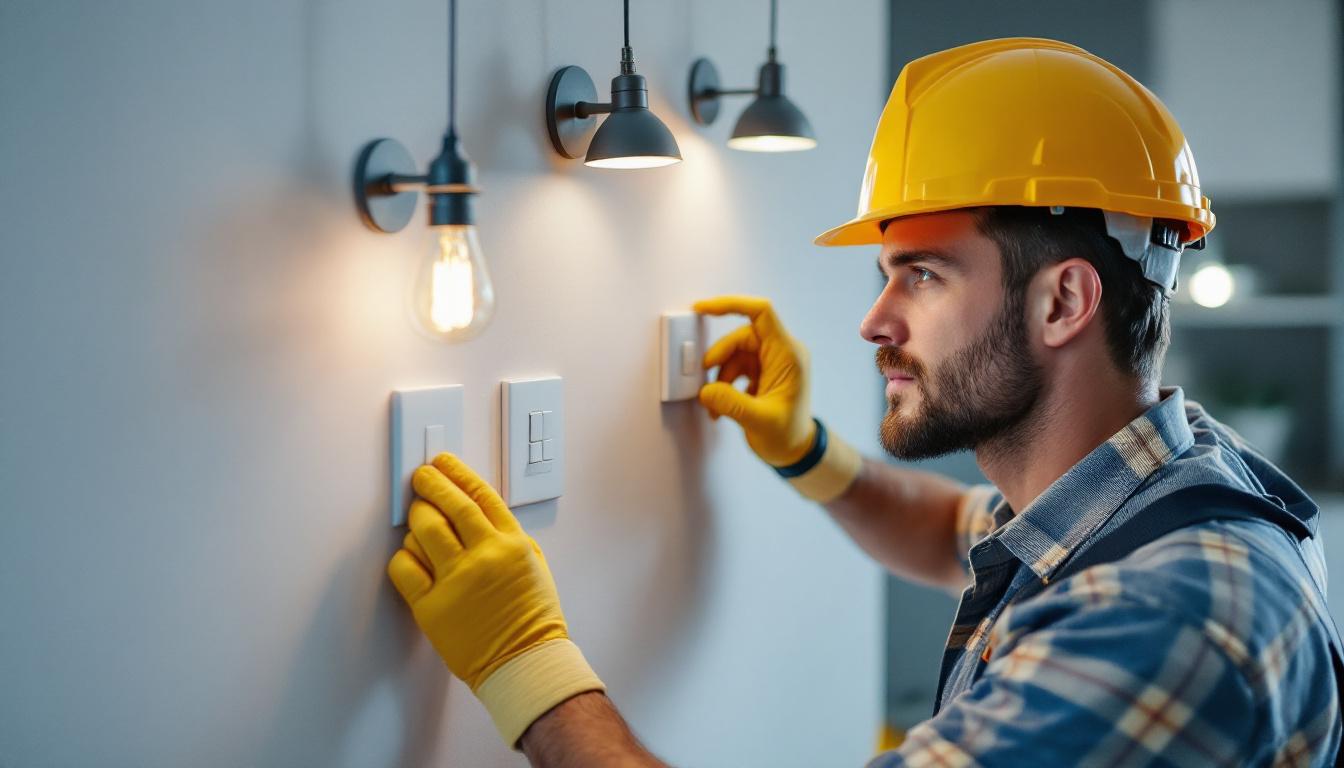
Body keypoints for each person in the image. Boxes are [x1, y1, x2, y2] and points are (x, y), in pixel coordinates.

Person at [386, 38, 1344, 766]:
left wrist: (527, 662)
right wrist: (808, 452)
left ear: (1063, 301)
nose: (874, 321)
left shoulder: (1163, 618)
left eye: (921, 276)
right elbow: (954, 534)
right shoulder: (1156, 485)